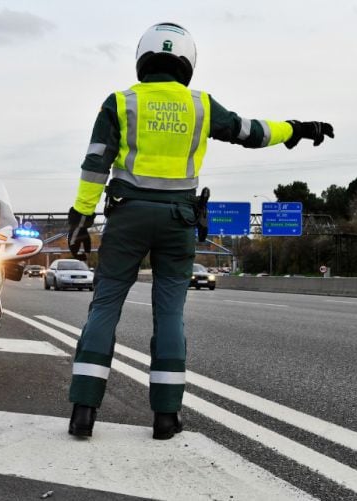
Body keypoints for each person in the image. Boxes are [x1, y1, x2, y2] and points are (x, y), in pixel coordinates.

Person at [66, 22, 334, 439]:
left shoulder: (120, 102)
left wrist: (80, 219)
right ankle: (166, 417)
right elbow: (251, 131)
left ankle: (84, 410)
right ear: (187, 62)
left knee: (104, 307)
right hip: (178, 222)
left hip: (127, 217)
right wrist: (297, 129)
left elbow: (96, 162)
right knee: (169, 315)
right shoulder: (201, 105)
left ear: (143, 58)